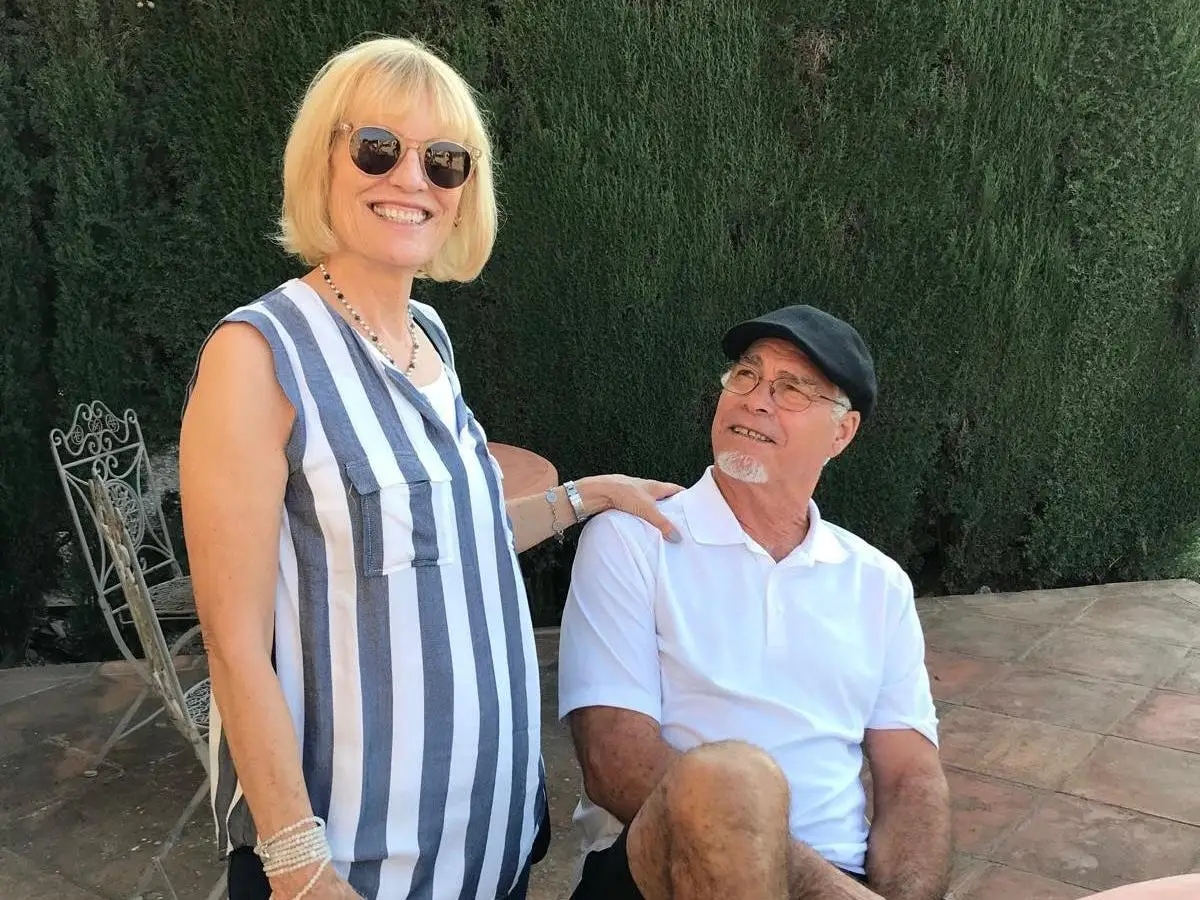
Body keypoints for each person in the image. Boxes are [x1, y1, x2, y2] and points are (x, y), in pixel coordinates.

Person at [179, 37, 681, 900]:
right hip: (364, 862)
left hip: (490, 840)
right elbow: (233, 644)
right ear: (323, 162)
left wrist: (588, 496)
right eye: (378, 148)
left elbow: (451, 537)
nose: (412, 179)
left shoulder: (430, 341)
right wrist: (301, 870)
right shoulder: (259, 356)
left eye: (444, 161)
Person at [557, 305, 952, 900]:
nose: (756, 400)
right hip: (664, 865)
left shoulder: (878, 583)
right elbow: (616, 762)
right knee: (728, 777)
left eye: (791, 389)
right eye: (745, 375)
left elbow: (911, 779)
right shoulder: (635, 539)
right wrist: (826, 891)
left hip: (838, 877)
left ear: (841, 434)